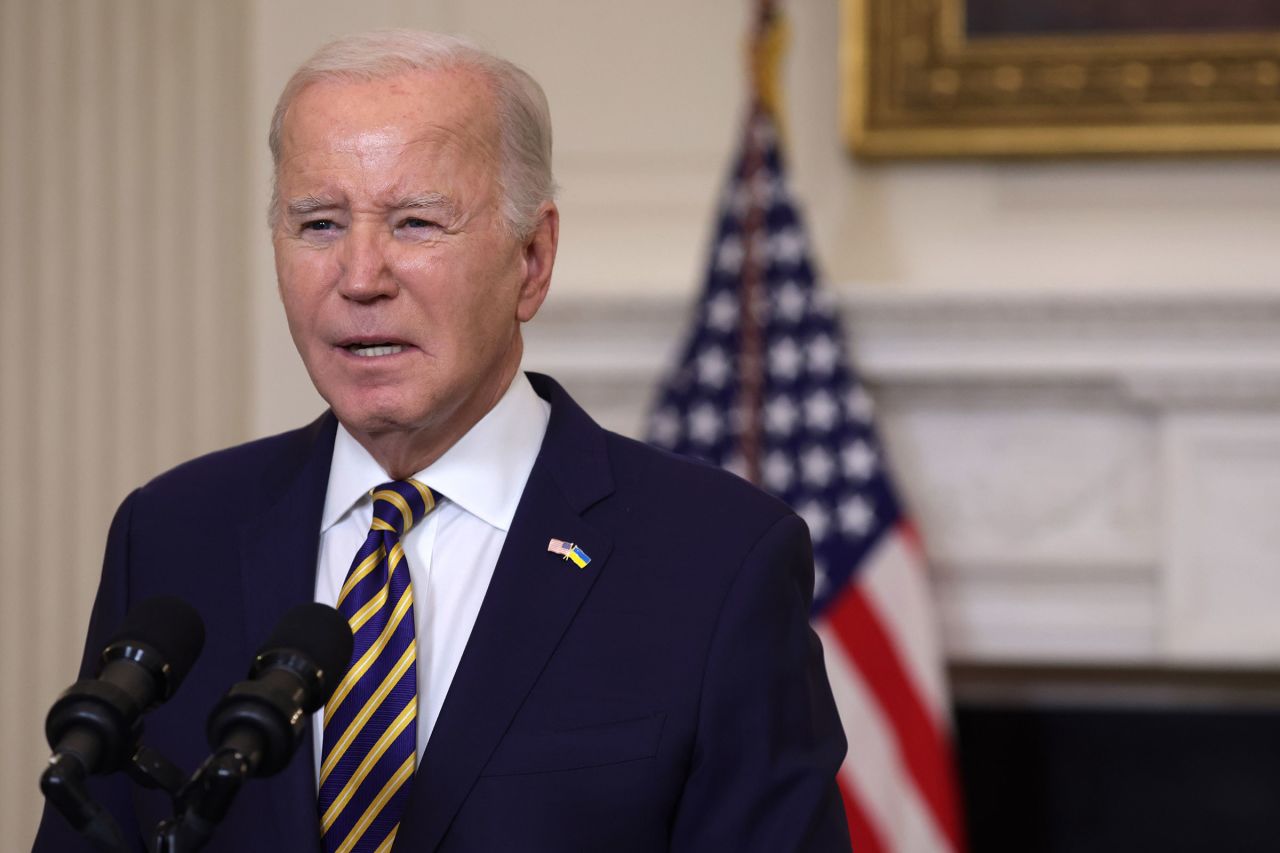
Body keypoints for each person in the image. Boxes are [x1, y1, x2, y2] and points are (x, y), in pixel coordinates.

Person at [34, 29, 850, 853]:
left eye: (416, 223)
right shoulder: (173, 532)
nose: (359, 276)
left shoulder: (717, 561)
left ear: (532, 259)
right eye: (318, 224)